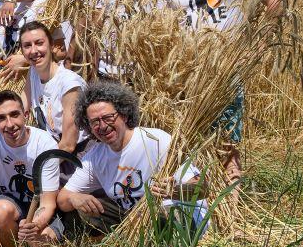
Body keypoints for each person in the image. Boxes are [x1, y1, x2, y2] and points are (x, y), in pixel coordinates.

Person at [156, 0, 282, 183]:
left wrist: (260, 42)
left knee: (227, 141)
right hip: (187, 70)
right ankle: (200, 201)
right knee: (189, 139)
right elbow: (160, 26)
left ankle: (231, 212)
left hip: (226, 69)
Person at [58, 81, 204, 232]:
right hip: (135, 220)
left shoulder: (156, 140)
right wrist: (74, 198)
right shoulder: (95, 157)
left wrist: (175, 190)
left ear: (124, 115)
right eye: (95, 122)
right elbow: (63, 199)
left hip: (177, 216)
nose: (102, 126)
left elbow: (201, 188)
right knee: (87, 209)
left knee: (163, 215)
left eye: (108, 117)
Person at [0, 91, 63, 247]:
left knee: (39, 242)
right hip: (11, 205)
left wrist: (34, 225)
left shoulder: (45, 144)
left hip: (40, 206)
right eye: (1, 118)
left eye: (14, 115)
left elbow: (47, 204)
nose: (10, 124)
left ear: (25, 115)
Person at [21, 21, 87, 153]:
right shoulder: (33, 72)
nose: (34, 51)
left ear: (52, 46)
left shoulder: (69, 84)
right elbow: (22, 107)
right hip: (53, 148)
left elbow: (68, 145)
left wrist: (40, 170)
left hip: (78, 156)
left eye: (39, 43)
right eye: (27, 46)